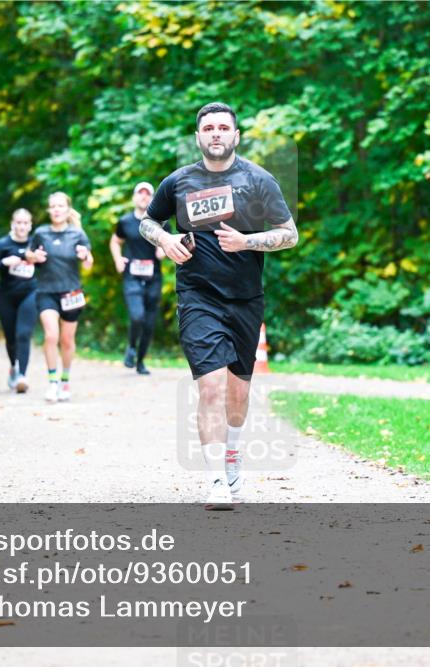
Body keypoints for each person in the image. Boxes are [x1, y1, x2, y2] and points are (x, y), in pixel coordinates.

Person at [139, 102, 298, 509]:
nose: (215, 133)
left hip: (245, 298)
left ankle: (232, 452)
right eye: (208, 127)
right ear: (198, 137)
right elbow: (148, 221)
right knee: (209, 387)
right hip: (198, 297)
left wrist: (248, 241)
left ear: (235, 136)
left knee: (237, 395)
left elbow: (290, 234)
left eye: (223, 127)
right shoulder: (178, 182)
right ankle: (215, 483)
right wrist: (167, 240)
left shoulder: (259, 180)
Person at [26, 192, 94, 403]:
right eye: (52, 206)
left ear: (67, 209)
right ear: (49, 210)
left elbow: (88, 262)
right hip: (46, 292)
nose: (56, 209)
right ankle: (52, 382)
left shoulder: (78, 234)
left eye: (60, 206)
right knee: (51, 336)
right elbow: (28, 255)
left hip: (71, 293)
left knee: (66, 340)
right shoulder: (40, 233)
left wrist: (85, 256)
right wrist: (34, 257)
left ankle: (65, 380)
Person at [109, 181, 168, 375]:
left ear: (152, 199)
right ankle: (131, 348)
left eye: (148, 194)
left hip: (154, 278)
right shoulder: (125, 222)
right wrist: (118, 259)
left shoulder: (161, 223)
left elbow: (170, 243)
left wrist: (164, 249)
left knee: (149, 323)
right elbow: (115, 241)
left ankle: (140, 361)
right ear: (134, 197)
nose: (144, 197)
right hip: (132, 277)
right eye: (140, 193)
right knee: (137, 316)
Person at [0, 208, 39, 393]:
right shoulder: (3, 244)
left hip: (30, 293)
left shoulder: (36, 243)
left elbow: (48, 262)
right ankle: (13, 367)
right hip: (6, 296)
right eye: (19, 222)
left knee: (23, 334)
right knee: (11, 338)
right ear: (12, 224)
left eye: (25, 223)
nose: (22, 226)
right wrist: (4, 263)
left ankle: (22, 375)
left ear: (30, 225)